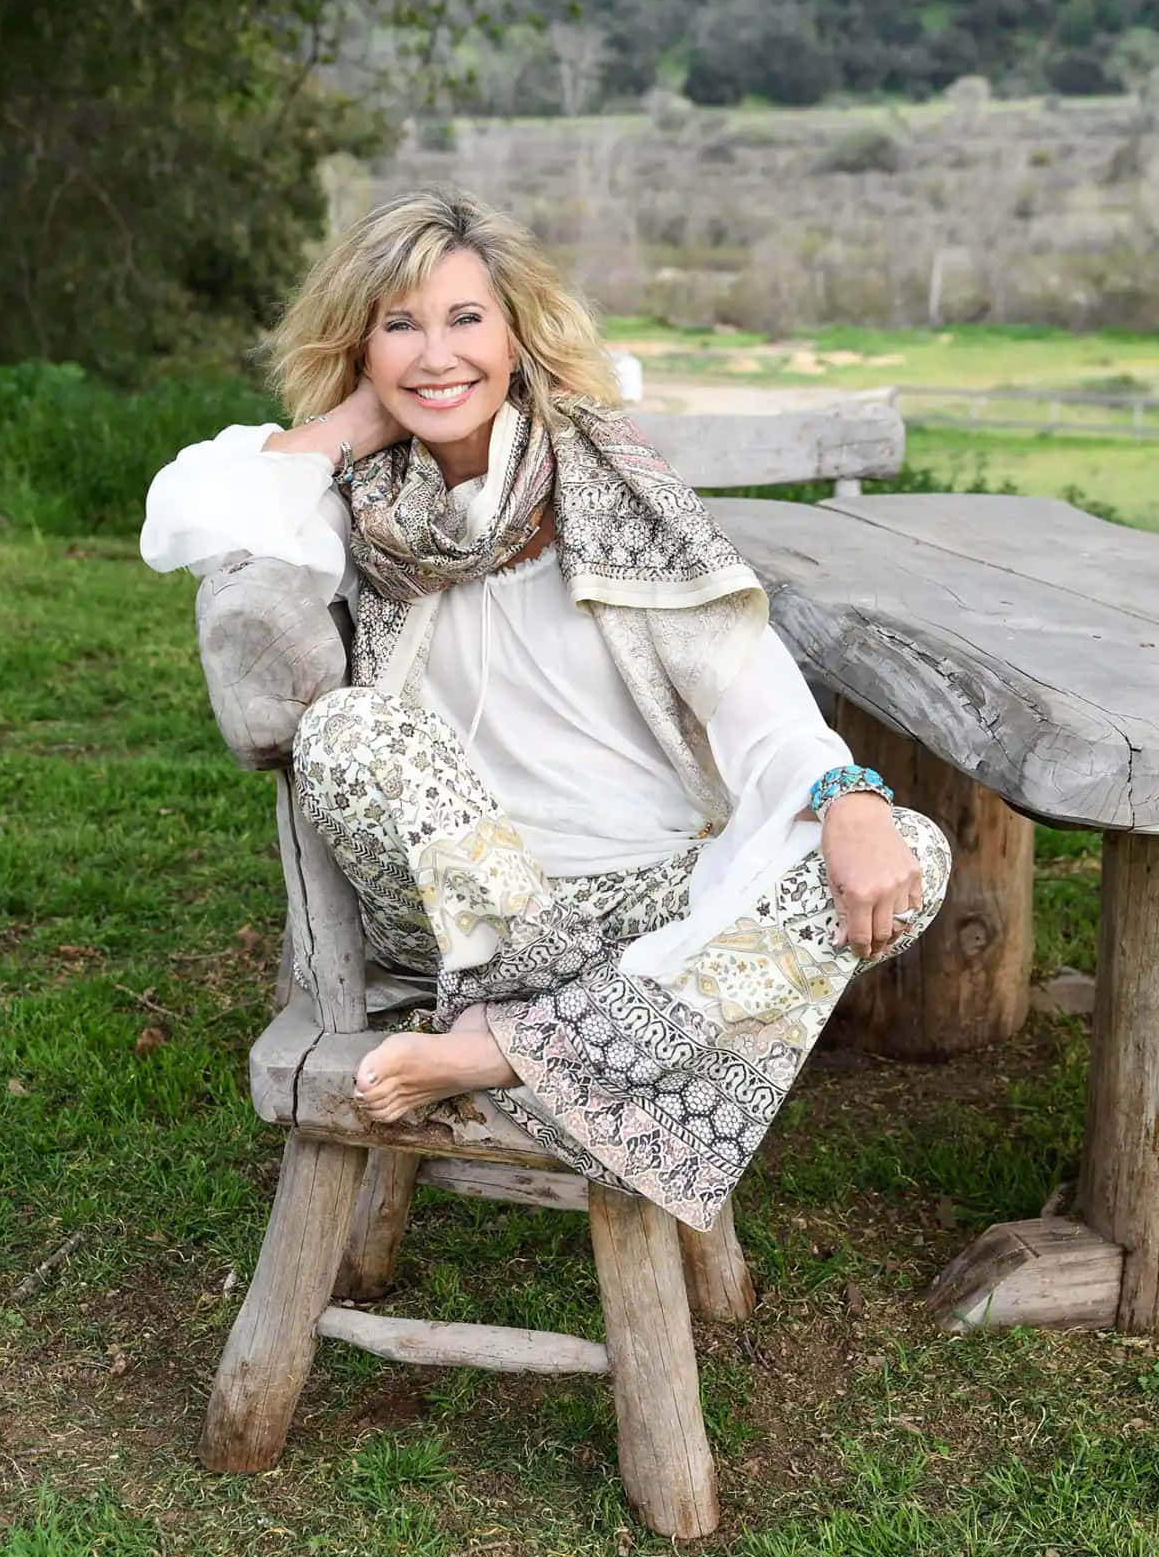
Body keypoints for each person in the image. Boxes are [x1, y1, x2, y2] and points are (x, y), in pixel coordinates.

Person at [141, 187, 950, 1233]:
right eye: (400, 325)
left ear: (518, 334)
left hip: (656, 898)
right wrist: (356, 421)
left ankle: (502, 1047)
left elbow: (753, 693)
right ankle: (608, 1031)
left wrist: (847, 796)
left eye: (465, 320)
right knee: (343, 729)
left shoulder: (614, 487)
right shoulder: (359, 500)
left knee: (913, 852)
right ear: (360, 344)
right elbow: (186, 514)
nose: (438, 354)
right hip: (468, 914)